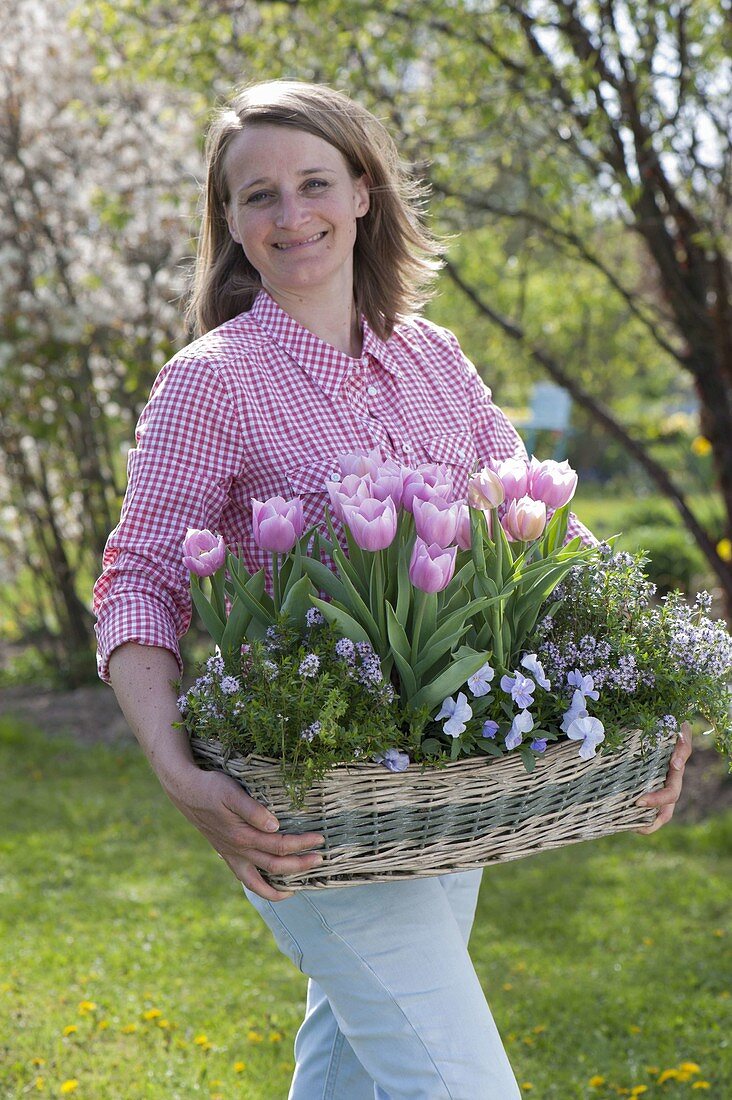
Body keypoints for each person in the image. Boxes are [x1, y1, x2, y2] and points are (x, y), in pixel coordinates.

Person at [93, 80, 691, 1100]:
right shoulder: (213, 378)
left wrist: (658, 685)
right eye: (259, 196)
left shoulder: (434, 359)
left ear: (363, 191)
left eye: (314, 183)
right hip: (309, 798)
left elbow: (542, 529)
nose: (292, 217)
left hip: (444, 790)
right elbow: (139, 578)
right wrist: (178, 770)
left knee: (354, 1068)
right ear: (229, 221)